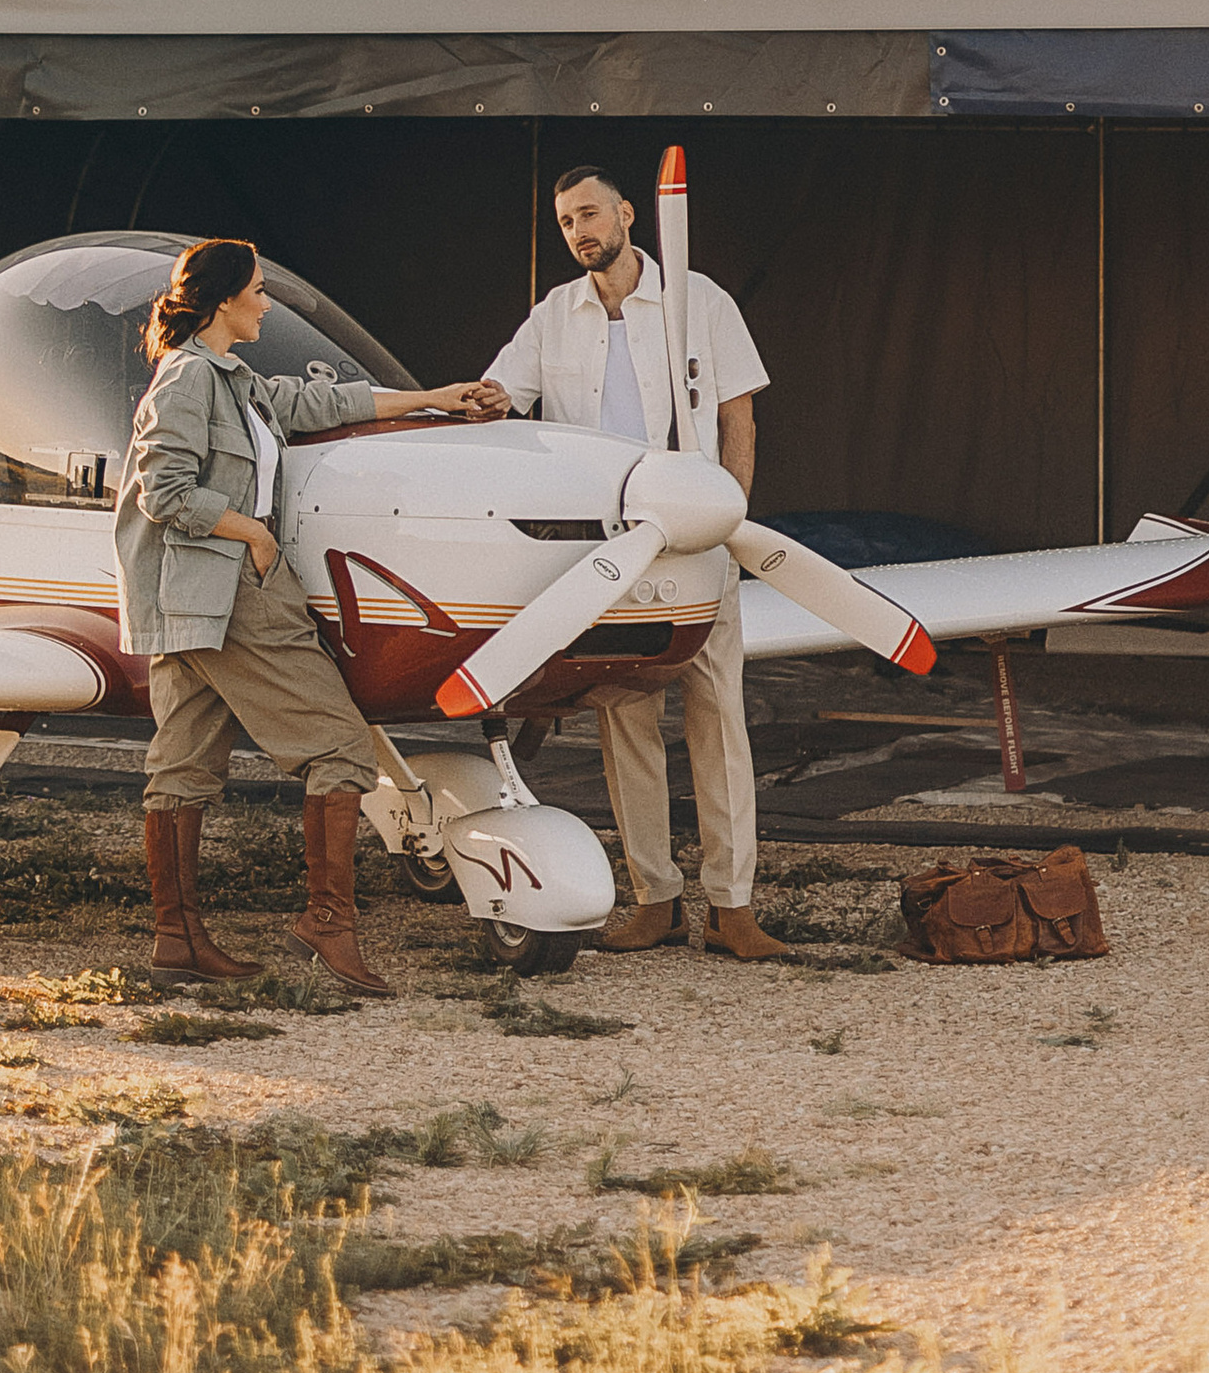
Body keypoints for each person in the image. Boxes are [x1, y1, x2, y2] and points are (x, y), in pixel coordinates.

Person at [115, 236, 507, 995]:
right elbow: (161, 492)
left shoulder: (235, 382)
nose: (268, 302)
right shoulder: (190, 381)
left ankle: (176, 941)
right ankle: (327, 923)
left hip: (194, 597)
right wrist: (255, 533)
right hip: (229, 590)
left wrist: (436, 397)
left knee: (184, 765)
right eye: (259, 290)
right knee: (338, 747)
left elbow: (326, 403)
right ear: (225, 299)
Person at [482, 163, 791, 960]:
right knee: (625, 720)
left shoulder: (703, 300)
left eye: (590, 214)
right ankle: (656, 897)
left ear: (627, 214)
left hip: (697, 538)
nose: (579, 231)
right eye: (565, 223)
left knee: (719, 716)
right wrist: (435, 407)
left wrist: (730, 519)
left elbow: (737, 416)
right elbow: (498, 395)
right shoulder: (554, 315)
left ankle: (733, 905)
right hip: (610, 554)